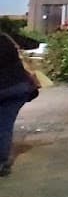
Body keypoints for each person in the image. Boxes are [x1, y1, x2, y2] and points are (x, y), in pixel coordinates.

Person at [0, 33, 39, 176]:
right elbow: (32, 43)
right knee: (4, 124)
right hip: (16, 87)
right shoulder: (5, 37)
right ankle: (1, 163)